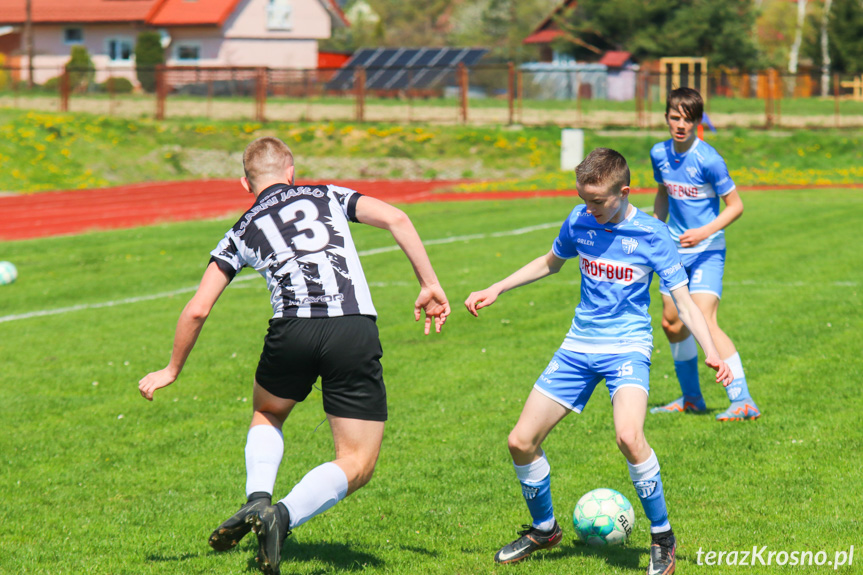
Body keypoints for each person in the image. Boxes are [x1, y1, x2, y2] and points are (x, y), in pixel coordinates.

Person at [138, 137, 450, 575]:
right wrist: (428, 283)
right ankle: (280, 517)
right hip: (351, 327)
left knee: (267, 412)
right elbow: (397, 217)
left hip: (292, 330)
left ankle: (258, 500)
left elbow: (198, 307)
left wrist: (172, 369)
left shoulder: (241, 230)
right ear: (291, 172)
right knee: (357, 461)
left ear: (245, 184)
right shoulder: (327, 194)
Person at [464, 148, 732, 574]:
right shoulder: (579, 220)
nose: (589, 209)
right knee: (520, 442)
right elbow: (551, 263)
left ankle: (663, 537)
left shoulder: (653, 235)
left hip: (627, 348)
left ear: (624, 192)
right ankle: (544, 529)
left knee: (629, 436)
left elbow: (683, 299)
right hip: (578, 347)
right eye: (584, 199)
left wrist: (711, 350)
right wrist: (498, 287)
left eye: (598, 201)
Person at [649, 87, 761, 421]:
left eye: (688, 119)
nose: (680, 124)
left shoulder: (708, 159)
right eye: (674, 117)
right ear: (666, 117)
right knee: (671, 323)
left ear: (697, 122)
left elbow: (736, 206)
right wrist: (657, 231)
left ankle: (743, 400)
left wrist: (704, 231)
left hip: (707, 249)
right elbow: (662, 194)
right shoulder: (659, 153)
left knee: (704, 321)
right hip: (674, 251)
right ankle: (692, 398)